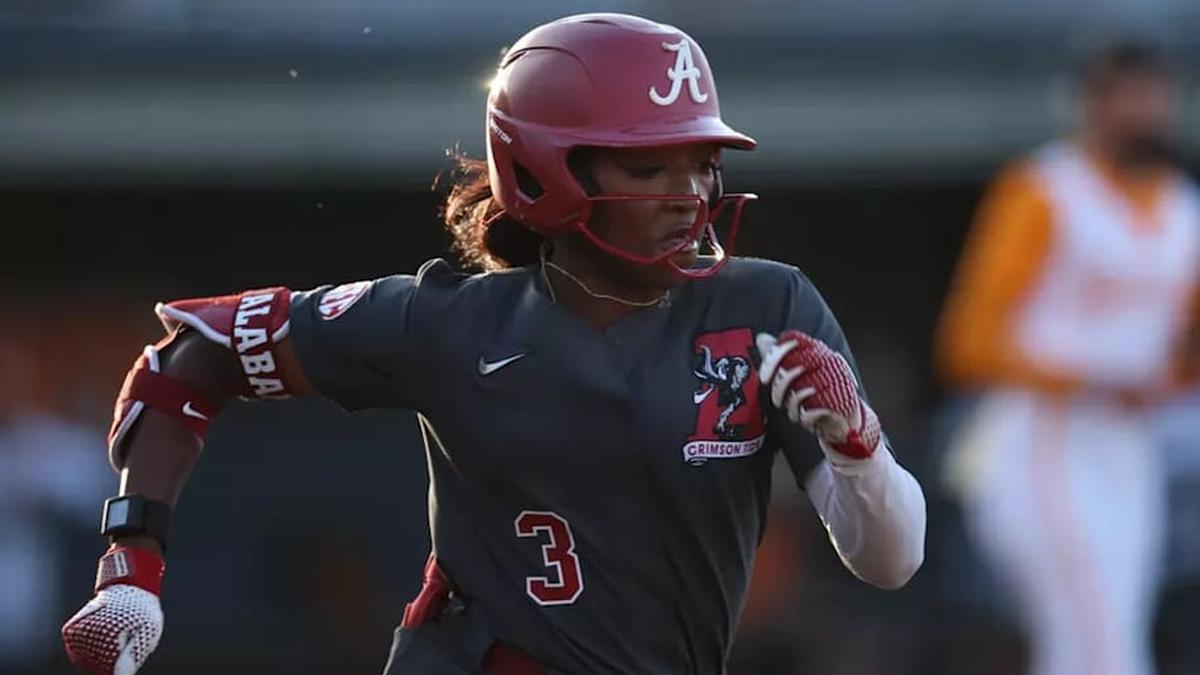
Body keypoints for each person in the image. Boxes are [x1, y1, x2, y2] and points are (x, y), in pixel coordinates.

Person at [61, 13, 926, 675]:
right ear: (549, 170)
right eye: (649, 165)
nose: (688, 194)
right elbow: (189, 357)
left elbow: (889, 561)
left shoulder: (768, 303)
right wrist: (130, 566)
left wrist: (859, 447)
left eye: (700, 162)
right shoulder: (452, 322)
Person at [937, 40, 1200, 675]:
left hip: (1132, 444)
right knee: (1098, 640)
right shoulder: (1045, 189)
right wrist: (1091, 375)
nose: (1146, 113)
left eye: (1155, 97)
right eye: (1129, 97)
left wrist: (1169, 376)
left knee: (1110, 634)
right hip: (1042, 437)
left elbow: (1183, 349)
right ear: (1093, 105)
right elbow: (967, 343)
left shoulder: (1183, 206)